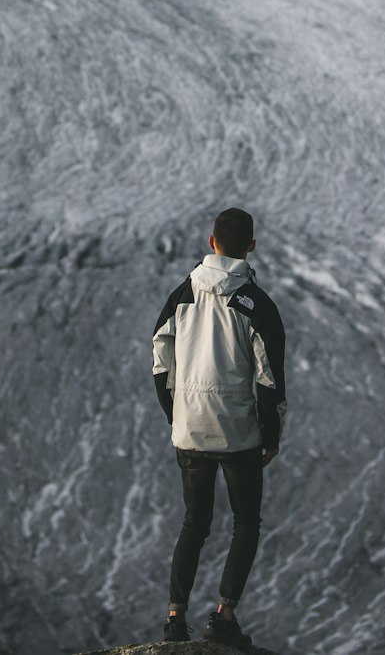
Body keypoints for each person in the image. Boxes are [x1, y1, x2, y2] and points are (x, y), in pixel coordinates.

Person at [152, 207, 287, 648]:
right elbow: (269, 378)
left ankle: (175, 617)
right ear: (250, 246)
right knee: (245, 522)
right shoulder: (254, 303)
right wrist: (271, 435)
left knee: (194, 522)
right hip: (238, 433)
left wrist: (176, 412)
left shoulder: (182, 294)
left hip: (190, 429)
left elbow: (160, 357)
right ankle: (224, 615)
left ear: (212, 242)